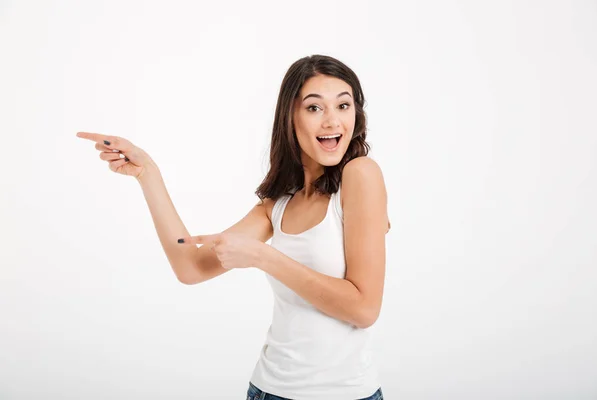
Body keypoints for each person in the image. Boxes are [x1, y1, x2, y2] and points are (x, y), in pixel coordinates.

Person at [76, 54, 389, 400]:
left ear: (356, 115)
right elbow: (190, 266)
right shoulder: (278, 205)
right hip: (268, 390)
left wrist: (264, 258)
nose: (332, 121)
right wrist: (147, 173)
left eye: (343, 106)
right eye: (314, 108)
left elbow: (364, 309)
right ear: (291, 117)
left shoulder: (361, 175)